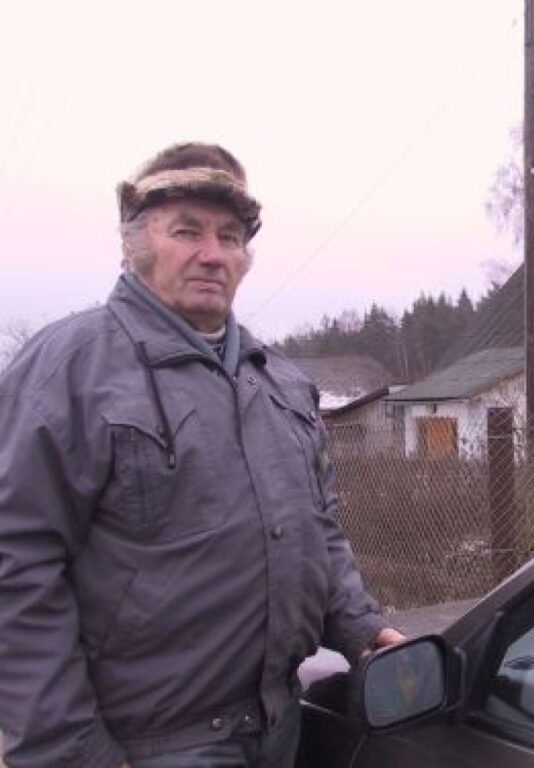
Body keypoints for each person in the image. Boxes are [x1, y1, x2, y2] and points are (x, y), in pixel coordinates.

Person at [0, 143, 404, 768]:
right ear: (133, 245)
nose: (213, 254)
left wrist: (360, 627)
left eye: (230, 235)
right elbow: (15, 568)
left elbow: (316, 530)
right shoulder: (68, 370)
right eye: (186, 231)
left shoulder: (279, 383)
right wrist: (69, 753)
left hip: (276, 725)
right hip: (141, 746)